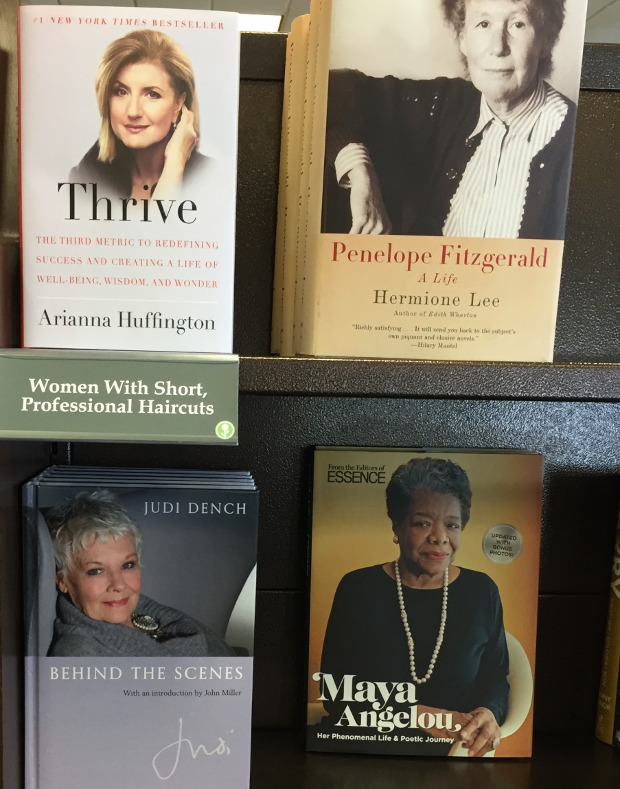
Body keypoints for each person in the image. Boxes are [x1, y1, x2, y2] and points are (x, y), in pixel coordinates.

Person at [323, 0, 574, 239]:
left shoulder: (576, 140)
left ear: (547, 40)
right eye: (484, 24)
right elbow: (326, 90)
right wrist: (358, 168)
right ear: (462, 38)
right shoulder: (444, 104)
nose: (498, 47)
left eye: (517, 24)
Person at [317, 457, 509, 756]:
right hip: (365, 747)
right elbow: (334, 689)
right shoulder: (357, 588)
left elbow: (496, 676)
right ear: (397, 526)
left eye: (452, 524)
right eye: (422, 523)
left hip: (451, 754)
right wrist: (416, 713)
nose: (440, 537)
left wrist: (489, 709)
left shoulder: (482, 591)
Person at [46, 491, 236, 658]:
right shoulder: (78, 656)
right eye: (95, 571)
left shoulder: (151, 617)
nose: (118, 585)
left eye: (127, 565)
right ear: (62, 580)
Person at [69, 29, 206, 200]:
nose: (133, 111)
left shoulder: (210, 180)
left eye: (152, 94)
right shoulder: (86, 176)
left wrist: (175, 163)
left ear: (178, 103)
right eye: (121, 91)